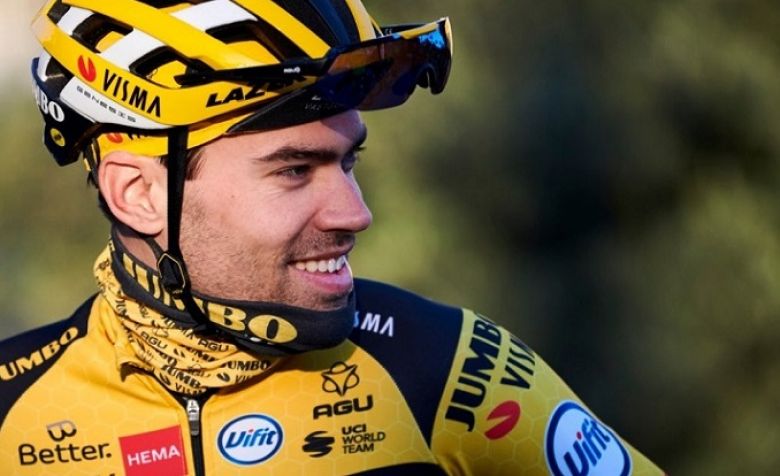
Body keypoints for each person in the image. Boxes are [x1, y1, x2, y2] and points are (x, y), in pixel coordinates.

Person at [1, 0, 664, 474]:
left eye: (348, 162)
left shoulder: (441, 367)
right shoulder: (11, 411)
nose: (354, 213)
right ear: (139, 194)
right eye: (294, 170)